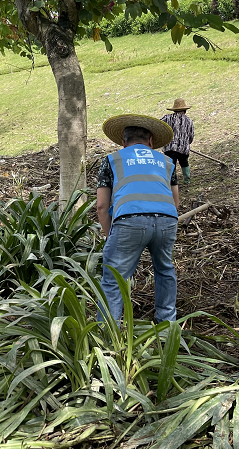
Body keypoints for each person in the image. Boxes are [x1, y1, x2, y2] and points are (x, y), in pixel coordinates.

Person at [96, 114, 181, 324]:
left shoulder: (112, 160)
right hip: (167, 220)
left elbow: (101, 206)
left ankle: (109, 336)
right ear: (151, 141)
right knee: (165, 270)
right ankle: (166, 326)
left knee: (114, 279)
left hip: (129, 221)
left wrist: (110, 236)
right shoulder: (167, 162)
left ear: (123, 142)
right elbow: (175, 202)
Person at [160, 98, 194, 184]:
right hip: (183, 148)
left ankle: (173, 181)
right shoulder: (189, 121)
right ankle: (187, 180)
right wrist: (187, 143)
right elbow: (191, 135)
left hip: (170, 147)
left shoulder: (167, 118)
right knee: (184, 162)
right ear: (185, 110)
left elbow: (159, 127)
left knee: (171, 164)